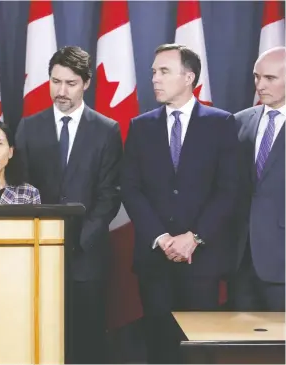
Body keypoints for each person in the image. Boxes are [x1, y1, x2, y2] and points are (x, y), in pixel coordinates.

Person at [121, 44, 239, 363]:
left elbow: (229, 191)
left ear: (188, 77)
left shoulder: (222, 123)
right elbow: (130, 189)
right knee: (160, 348)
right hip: (155, 262)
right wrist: (161, 238)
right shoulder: (140, 126)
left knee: (199, 352)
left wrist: (193, 238)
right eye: (153, 72)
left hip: (201, 261)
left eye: (164, 71)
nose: (155, 79)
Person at [15, 46, 122, 364]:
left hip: (86, 257)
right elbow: (20, 189)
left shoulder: (106, 130)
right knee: (40, 342)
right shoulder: (28, 127)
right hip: (37, 254)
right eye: (55, 81)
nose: (60, 91)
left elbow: (109, 196)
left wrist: (77, 241)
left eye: (70, 83)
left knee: (86, 343)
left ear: (86, 83)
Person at [232, 47, 285, 311]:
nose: (260, 85)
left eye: (270, 78)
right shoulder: (239, 122)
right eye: (256, 77)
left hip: (282, 260)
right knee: (241, 350)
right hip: (240, 259)